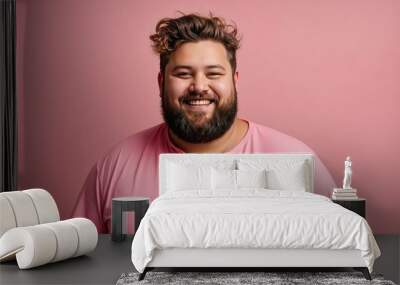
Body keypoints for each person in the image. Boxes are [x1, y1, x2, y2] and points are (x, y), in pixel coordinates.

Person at [73, 13, 336, 233]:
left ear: (235, 80)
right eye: (183, 73)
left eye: (214, 73)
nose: (199, 86)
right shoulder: (115, 166)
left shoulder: (297, 160)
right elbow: (79, 261)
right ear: (161, 82)